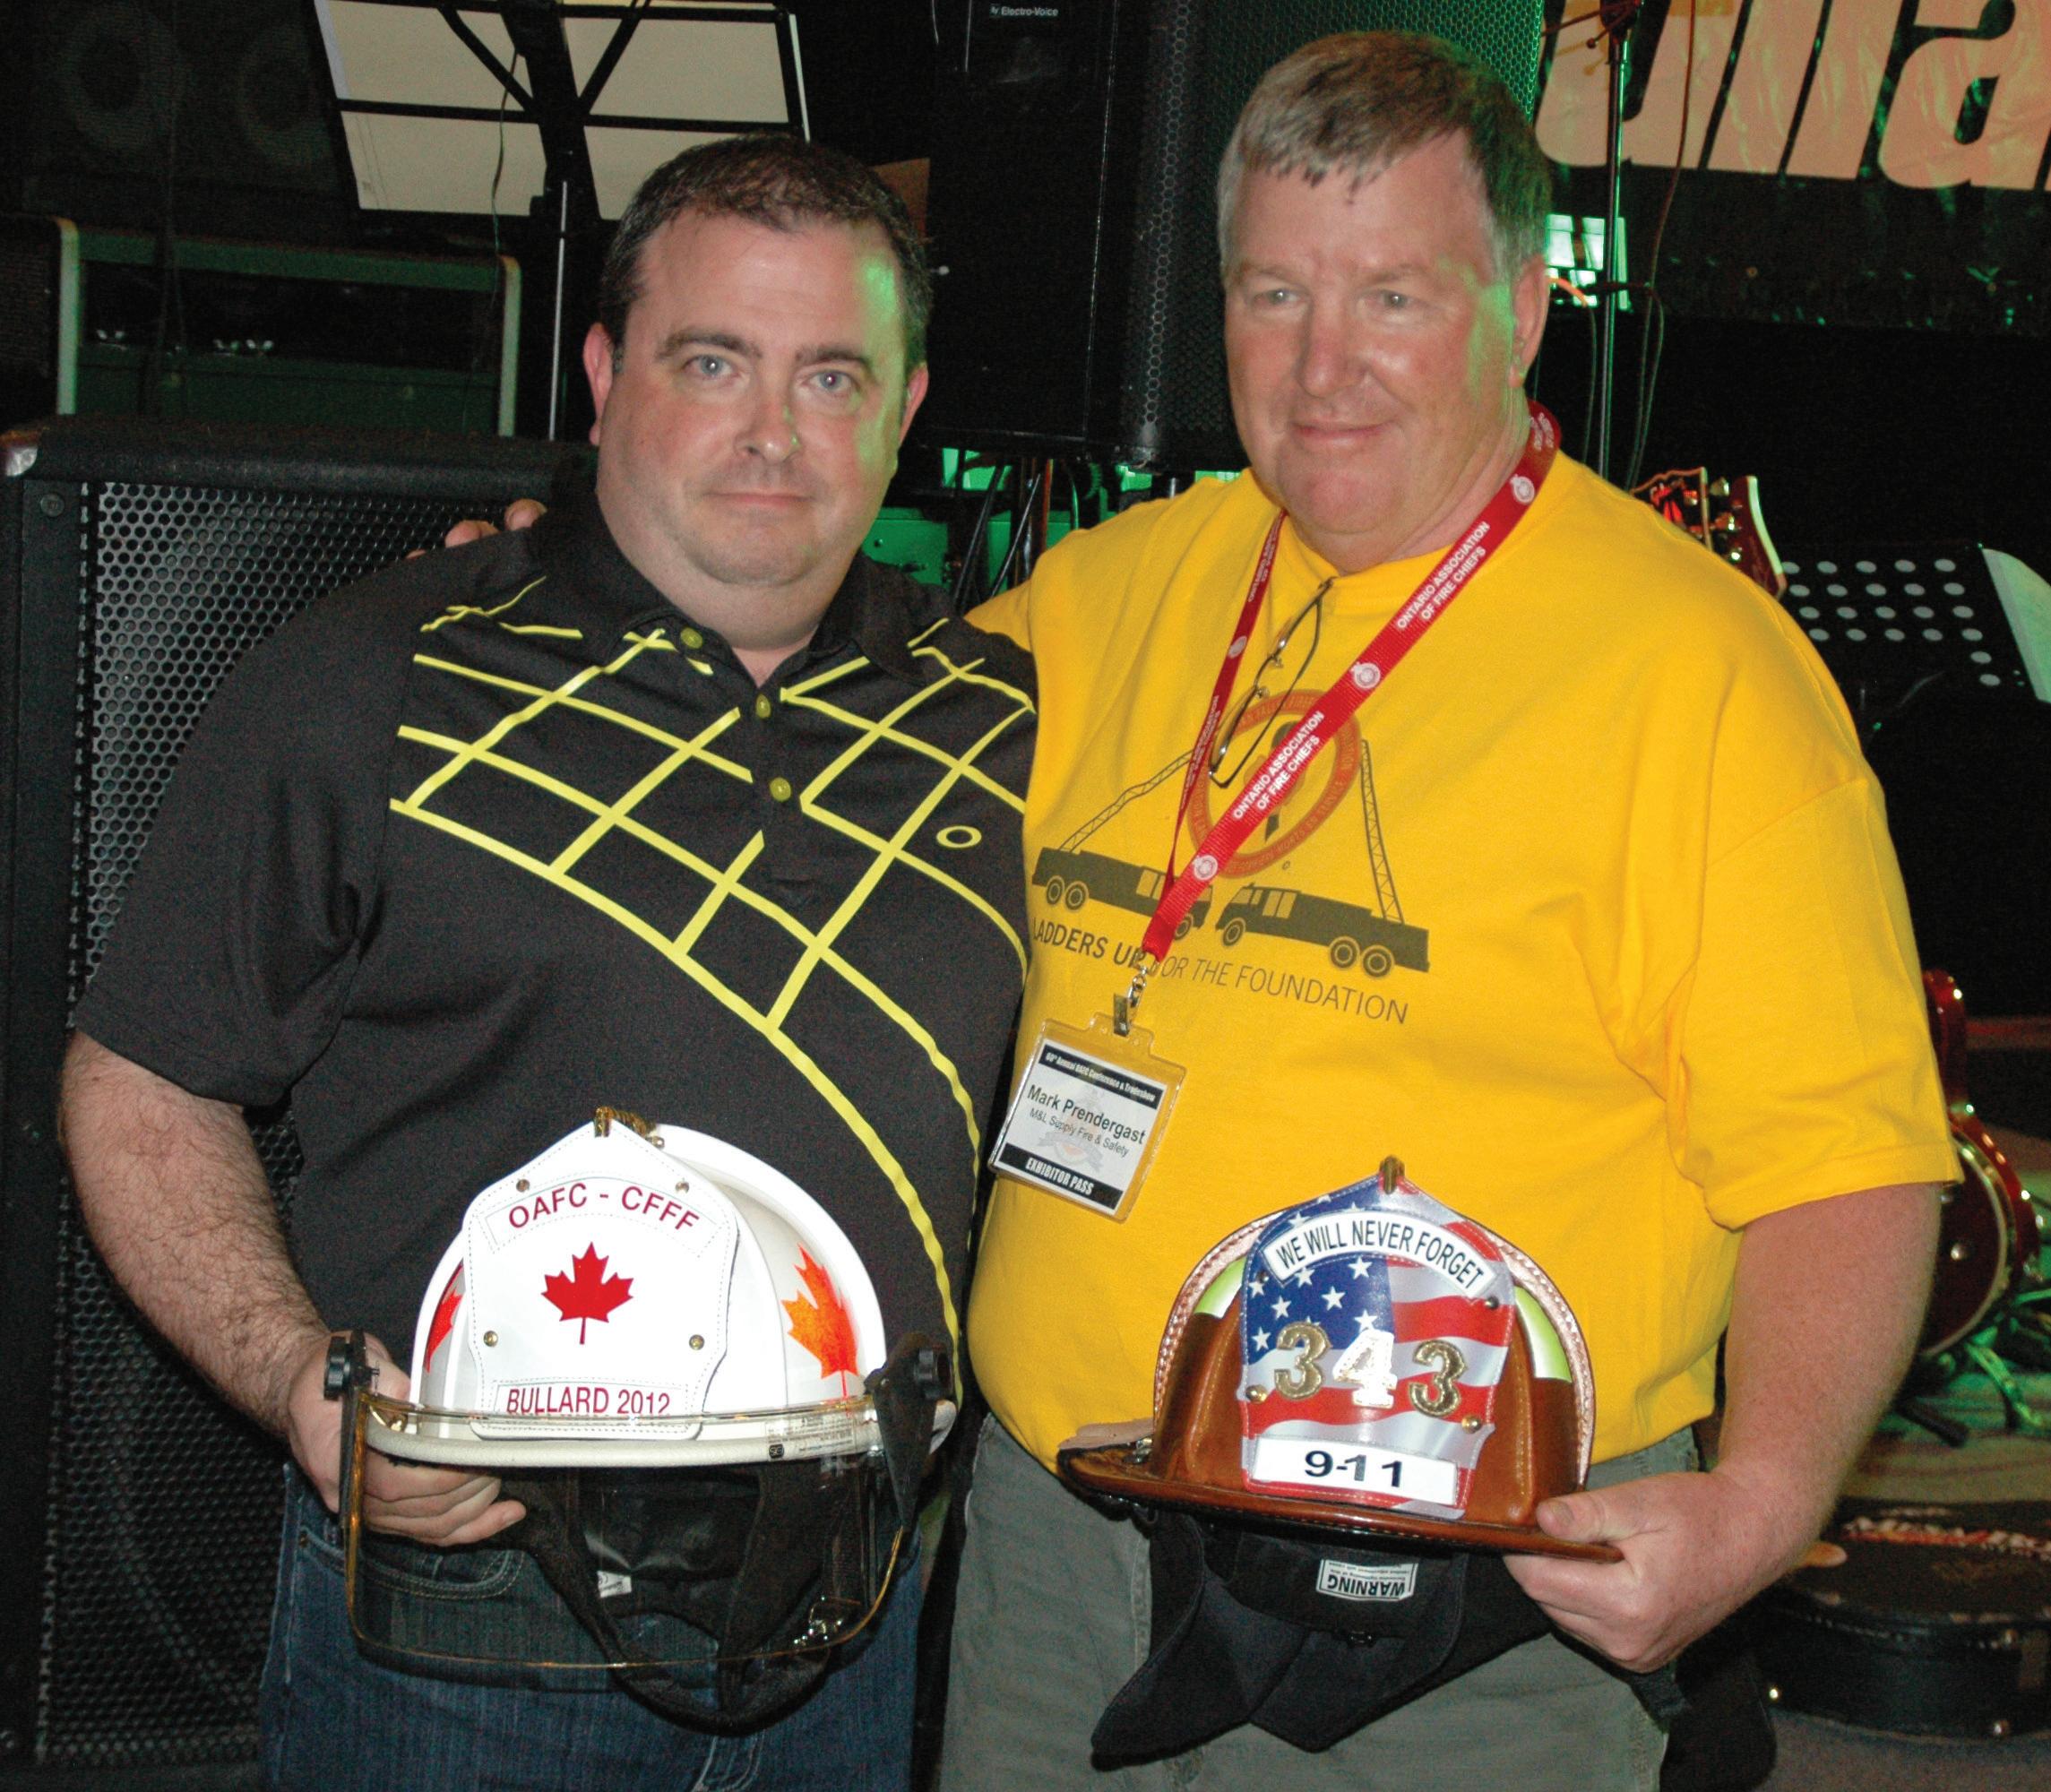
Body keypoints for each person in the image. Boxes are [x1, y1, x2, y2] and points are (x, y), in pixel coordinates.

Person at [938, 33, 1952, 1791]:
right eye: (1272, 293)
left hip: (1456, 1609)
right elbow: (818, 763)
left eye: (1390, 297)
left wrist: (1762, 1499)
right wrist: (543, 597)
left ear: (1525, 308)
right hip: (1053, 1548)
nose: (1319, 365)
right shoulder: (1107, 591)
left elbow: (1845, 1165)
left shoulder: (1695, 674)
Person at [56, 134, 1035, 1792]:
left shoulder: (1003, 710)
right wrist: (300, 1383)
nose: (772, 432)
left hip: (855, 1620)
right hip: (466, 1623)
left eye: (831, 375)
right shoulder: (373, 676)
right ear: (600, 373)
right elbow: (143, 1080)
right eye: (711, 362)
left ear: (907, 406)